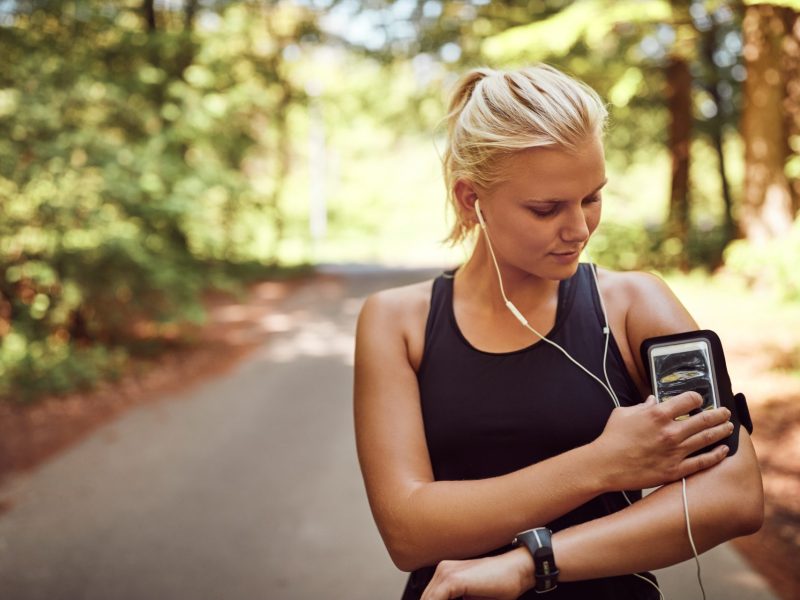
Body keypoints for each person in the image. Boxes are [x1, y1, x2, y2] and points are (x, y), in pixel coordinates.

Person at [353, 64, 763, 600]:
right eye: (545, 209)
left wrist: (531, 563)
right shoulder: (397, 322)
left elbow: (735, 492)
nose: (579, 230)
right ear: (469, 200)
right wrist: (601, 465)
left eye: (591, 197)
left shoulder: (635, 305)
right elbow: (408, 533)